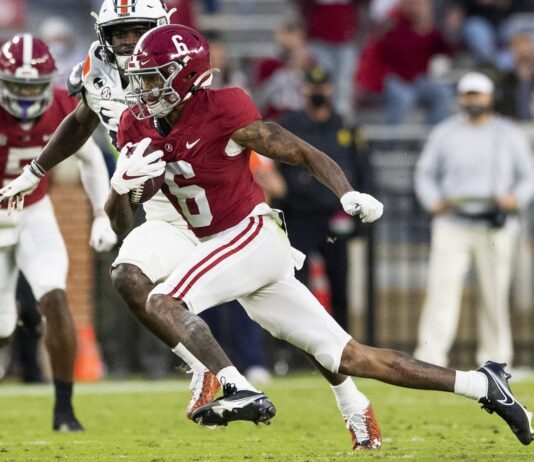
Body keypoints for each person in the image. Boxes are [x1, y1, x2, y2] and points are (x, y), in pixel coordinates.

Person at [113, 24, 531, 447]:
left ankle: (237, 386)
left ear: (185, 76)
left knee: (164, 300)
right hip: (223, 248)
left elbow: (298, 150)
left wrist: (347, 193)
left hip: (251, 235)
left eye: (154, 78)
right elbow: (122, 220)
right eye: (142, 78)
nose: (144, 89)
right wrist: (121, 188)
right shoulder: (136, 124)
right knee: (351, 357)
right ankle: (481, 384)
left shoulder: (223, 108)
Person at [0, 0, 226, 419]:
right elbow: (82, 122)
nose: (128, 41)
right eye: (120, 32)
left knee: (261, 298)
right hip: (147, 192)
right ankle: (210, 371)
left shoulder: (178, 62)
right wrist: (37, 171)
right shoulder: (96, 69)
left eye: (137, 30)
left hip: (200, 188)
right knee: (128, 277)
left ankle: (235, 374)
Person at [0, 34, 117, 430]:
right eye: (17, 86)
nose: (26, 95)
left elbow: (91, 159)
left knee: (55, 297)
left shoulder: (61, 105)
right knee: (2, 325)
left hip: (34, 212)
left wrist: (101, 214)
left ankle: (64, 411)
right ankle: (16, 326)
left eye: (32, 86)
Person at [414, 72, 534, 369]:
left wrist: (516, 198)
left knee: (495, 295)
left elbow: (528, 176)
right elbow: (425, 173)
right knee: (442, 291)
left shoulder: (509, 133)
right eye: (468, 94)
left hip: (495, 223)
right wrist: (433, 201)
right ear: (460, 98)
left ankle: (497, 362)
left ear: (490, 97)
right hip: (453, 221)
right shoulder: (445, 132)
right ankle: (430, 360)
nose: (473, 100)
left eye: (478, 94)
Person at [277, 67, 363, 330]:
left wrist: (360, 219)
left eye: (322, 87)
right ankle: (295, 343)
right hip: (299, 215)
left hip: (335, 215)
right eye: (312, 87)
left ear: (330, 89)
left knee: (340, 283)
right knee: (294, 283)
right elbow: (276, 171)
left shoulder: (345, 127)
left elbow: (361, 171)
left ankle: (343, 340)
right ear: (303, 90)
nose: (317, 92)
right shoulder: (289, 126)